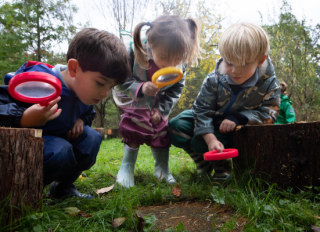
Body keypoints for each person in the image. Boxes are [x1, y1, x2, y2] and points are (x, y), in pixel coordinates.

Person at [0, 28, 131, 198]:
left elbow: (88, 113)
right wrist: (23, 118)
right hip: (30, 147)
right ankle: (22, 193)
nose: (105, 93)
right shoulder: (37, 82)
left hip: (62, 140)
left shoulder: (85, 94)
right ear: (74, 68)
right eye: (101, 83)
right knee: (60, 150)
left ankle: (63, 188)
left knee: (91, 138)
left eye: (110, 87)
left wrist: (81, 120)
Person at [169, 23, 281, 179]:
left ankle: (223, 167)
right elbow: (201, 110)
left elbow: (270, 113)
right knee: (177, 125)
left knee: (201, 142)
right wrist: (210, 138)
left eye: (244, 64)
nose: (235, 71)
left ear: (260, 60)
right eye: (229, 62)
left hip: (240, 131)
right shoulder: (213, 80)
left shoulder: (269, 84)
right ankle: (202, 161)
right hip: (211, 125)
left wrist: (240, 118)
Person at [112, 15, 200, 188]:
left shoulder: (179, 60)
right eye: (166, 57)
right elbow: (119, 80)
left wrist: (161, 109)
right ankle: (127, 167)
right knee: (134, 124)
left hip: (159, 101)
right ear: (150, 45)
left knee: (161, 129)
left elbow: (176, 89)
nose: (172, 63)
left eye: (177, 58)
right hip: (132, 98)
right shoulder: (131, 52)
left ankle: (162, 169)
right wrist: (141, 88)